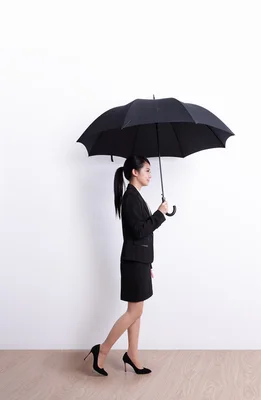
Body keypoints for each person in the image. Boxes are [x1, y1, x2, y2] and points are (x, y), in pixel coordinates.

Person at [84, 155, 168, 376]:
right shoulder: (130, 198)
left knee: (136, 311)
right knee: (134, 311)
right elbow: (140, 231)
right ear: (135, 172)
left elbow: (139, 235)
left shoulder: (135, 197)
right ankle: (101, 350)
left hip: (139, 262)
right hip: (133, 263)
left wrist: (147, 262)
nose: (150, 175)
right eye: (147, 170)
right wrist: (160, 214)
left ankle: (132, 355)